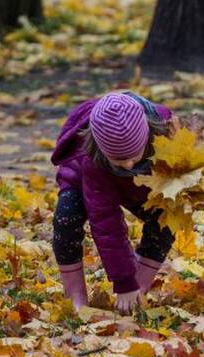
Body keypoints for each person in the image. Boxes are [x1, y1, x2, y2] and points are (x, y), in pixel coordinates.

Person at [50, 91, 175, 314]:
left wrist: (131, 284)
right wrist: (123, 280)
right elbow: (106, 224)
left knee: (168, 216)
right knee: (66, 220)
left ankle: (140, 285)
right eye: (118, 159)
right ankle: (75, 294)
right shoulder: (93, 161)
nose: (127, 164)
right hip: (84, 180)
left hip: (144, 185)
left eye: (133, 156)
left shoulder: (167, 133)